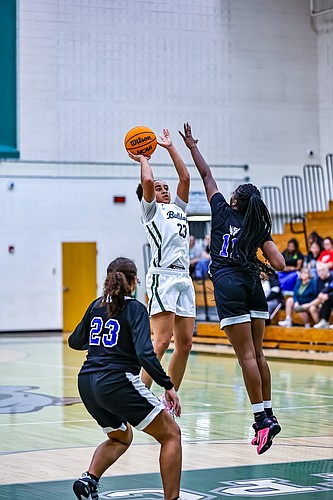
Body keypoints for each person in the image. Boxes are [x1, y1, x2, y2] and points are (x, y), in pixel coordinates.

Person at [180, 122, 285, 455]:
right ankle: (267, 412)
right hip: (253, 286)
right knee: (258, 354)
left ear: (236, 200)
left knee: (246, 358)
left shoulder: (222, 211)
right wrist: (259, 249)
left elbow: (206, 175)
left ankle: (261, 421)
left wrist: (193, 147)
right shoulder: (258, 227)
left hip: (228, 284)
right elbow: (280, 264)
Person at [68, 257, 182, 500]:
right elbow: (145, 354)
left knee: (121, 435)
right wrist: (168, 385)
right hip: (116, 380)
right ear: (133, 281)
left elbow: (75, 341)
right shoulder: (136, 308)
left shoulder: (95, 306)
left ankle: (89, 480)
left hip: (86, 383)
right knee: (171, 434)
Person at [130, 128, 196, 402]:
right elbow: (146, 180)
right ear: (149, 195)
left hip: (184, 278)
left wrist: (170, 148)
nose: (164, 189)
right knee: (161, 342)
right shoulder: (150, 211)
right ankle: (140, 397)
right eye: (159, 188)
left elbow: (185, 177)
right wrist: (144, 157)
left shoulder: (178, 208)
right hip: (162, 277)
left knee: (185, 344)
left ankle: (171, 397)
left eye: (164, 187)